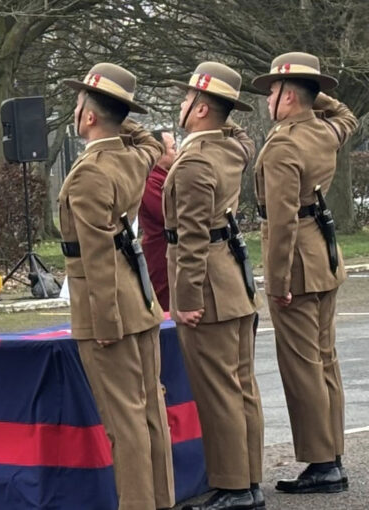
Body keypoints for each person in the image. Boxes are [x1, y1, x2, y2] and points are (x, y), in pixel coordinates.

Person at [59, 63, 174, 510]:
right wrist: (118, 109)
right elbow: (149, 142)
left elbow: (97, 255)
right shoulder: (131, 157)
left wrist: (104, 322)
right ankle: (160, 500)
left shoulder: (89, 173)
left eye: (80, 104)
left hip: (108, 307)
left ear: (88, 116)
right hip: (139, 298)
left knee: (123, 421)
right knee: (150, 414)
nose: (75, 111)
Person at [252, 52, 357, 494]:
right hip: (324, 256)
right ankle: (331, 453)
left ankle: (320, 463)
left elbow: (281, 223)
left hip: (296, 261)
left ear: (288, 96)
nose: (267, 99)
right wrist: (318, 99)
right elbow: (346, 115)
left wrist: (275, 283)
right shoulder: (325, 131)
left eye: (273, 91)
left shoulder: (283, 145)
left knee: (302, 367)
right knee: (325, 360)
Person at [164, 62, 263, 510]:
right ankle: (250, 478)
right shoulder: (232, 148)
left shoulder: (196, 161)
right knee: (241, 385)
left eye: (188, 100)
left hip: (208, 287)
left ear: (201, 108)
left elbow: (191, 238)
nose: (181, 106)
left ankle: (234, 486)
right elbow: (242, 134)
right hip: (233, 278)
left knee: (219, 391)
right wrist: (225, 102)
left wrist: (184, 300)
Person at [138, 130, 176, 310]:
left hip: (170, 250)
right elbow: (167, 214)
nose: (177, 152)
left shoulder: (167, 177)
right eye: (173, 148)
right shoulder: (151, 181)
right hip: (160, 251)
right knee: (164, 302)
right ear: (159, 152)